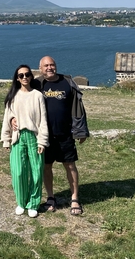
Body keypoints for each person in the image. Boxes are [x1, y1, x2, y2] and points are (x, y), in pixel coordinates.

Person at [35, 56, 89, 215]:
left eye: (52, 65)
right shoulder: (37, 84)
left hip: (66, 134)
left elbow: (78, 107)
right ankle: (50, 197)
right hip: (44, 136)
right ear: (40, 68)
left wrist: (81, 130)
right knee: (46, 166)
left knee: (70, 166)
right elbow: (22, 101)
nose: (49, 68)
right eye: (46, 66)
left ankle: (74, 199)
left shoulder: (67, 83)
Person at [1, 64, 49, 218]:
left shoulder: (37, 95)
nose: (25, 78)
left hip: (34, 137)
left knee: (36, 171)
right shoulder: (13, 97)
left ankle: (33, 203)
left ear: (31, 76)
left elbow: (43, 120)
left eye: (27, 74)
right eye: (21, 75)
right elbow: (7, 118)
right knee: (18, 172)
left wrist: (42, 141)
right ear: (17, 78)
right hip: (18, 137)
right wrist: (6, 139)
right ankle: (21, 202)